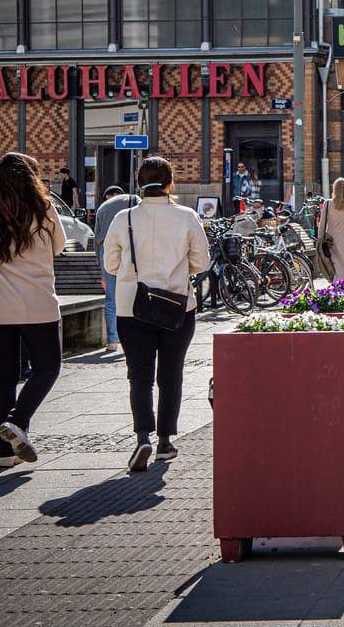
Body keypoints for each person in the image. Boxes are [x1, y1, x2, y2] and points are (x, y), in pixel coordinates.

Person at [101, 157, 210, 472]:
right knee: (171, 375)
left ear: (139, 184)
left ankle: (142, 437)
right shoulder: (187, 217)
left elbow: (110, 265)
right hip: (177, 306)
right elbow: (201, 262)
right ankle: (165, 440)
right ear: (170, 184)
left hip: (131, 307)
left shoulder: (124, 219)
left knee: (139, 376)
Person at [0, 152, 67, 469]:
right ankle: (18, 420)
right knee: (47, 368)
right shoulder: (43, 210)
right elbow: (59, 247)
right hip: (36, 303)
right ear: (31, 179)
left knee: (4, 376)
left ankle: (4, 454)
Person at [94, 186, 131, 353]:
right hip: (128, 248)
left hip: (106, 251)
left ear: (107, 196)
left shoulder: (103, 208)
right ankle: (131, 337)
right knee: (132, 293)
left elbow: (97, 240)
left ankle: (112, 340)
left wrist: (102, 272)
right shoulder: (132, 202)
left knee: (110, 298)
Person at [320, 177, 344, 278]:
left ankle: (339, 288)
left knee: (337, 264)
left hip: (333, 238)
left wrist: (320, 239)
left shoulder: (328, 203)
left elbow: (322, 223)